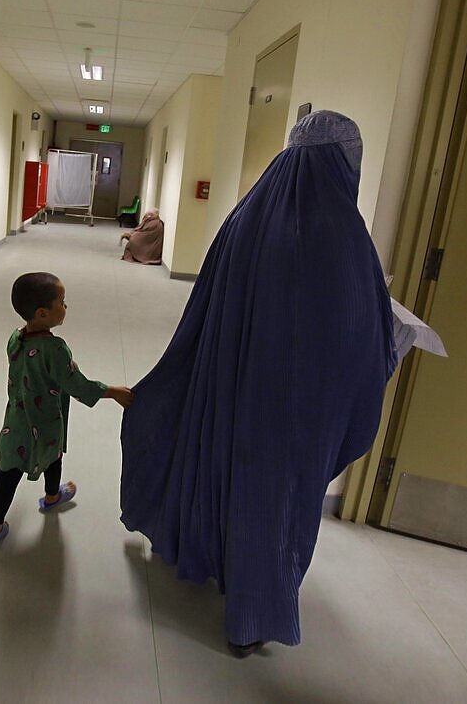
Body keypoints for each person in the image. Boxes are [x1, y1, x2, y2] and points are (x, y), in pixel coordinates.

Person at [119, 111, 398, 654]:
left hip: (229, 385)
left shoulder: (244, 215)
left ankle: (202, 549)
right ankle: (254, 616)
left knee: (222, 470)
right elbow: (353, 325)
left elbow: (205, 307)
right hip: (293, 406)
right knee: (276, 503)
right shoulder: (340, 234)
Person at [0, 272, 134, 548]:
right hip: (46, 418)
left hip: (16, 420)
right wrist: (113, 392)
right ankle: (52, 496)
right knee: (53, 453)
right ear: (42, 313)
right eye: (62, 302)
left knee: (8, 470)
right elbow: (76, 384)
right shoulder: (55, 349)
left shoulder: (15, 338)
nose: (66, 306)